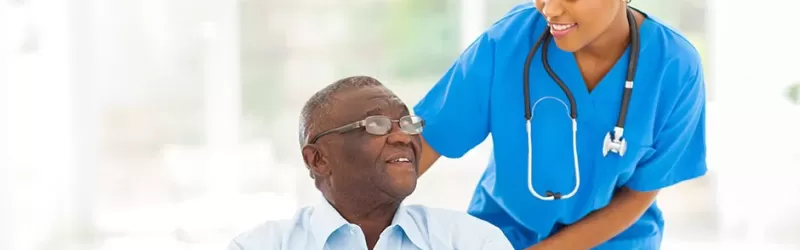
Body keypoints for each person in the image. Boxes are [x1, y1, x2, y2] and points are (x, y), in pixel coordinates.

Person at [413, 1, 707, 250]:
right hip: (501, 235)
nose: (549, 9)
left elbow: (639, 193)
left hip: (613, 238)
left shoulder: (674, 66)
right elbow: (424, 144)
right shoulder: (506, 43)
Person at [228, 76, 514, 250]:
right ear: (318, 159)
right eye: (376, 124)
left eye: (407, 122)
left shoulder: (470, 241)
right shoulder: (260, 246)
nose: (403, 135)